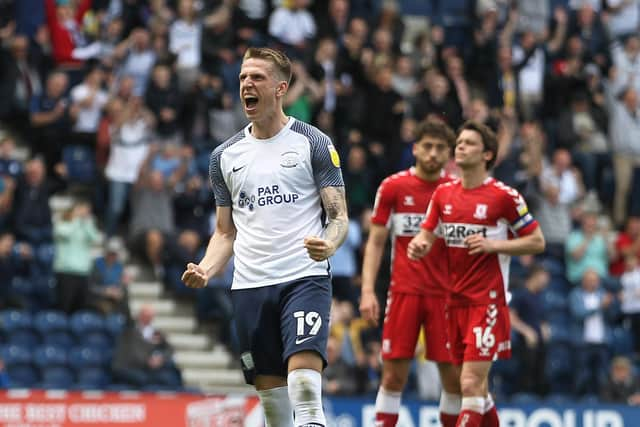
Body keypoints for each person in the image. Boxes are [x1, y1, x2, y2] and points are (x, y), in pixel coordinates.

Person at [182, 47, 348, 427]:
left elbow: (338, 216)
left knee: (305, 389)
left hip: (304, 278)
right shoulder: (224, 157)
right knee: (273, 407)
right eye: (242, 77)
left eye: (256, 77)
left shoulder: (314, 143)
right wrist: (207, 269)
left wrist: (330, 243)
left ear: (280, 88)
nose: (246, 85)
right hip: (251, 286)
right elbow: (225, 231)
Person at [408, 121, 545, 427]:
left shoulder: (503, 196)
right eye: (459, 142)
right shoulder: (443, 194)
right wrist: (419, 245)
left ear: (487, 154)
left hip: (487, 303)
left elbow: (537, 241)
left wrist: (493, 245)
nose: (460, 146)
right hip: (453, 302)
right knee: (475, 391)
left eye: (469, 143)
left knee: (469, 383)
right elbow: (427, 234)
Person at [359, 119, 460, 427]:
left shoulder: (456, 191)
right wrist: (366, 291)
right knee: (393, 375)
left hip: (446, 296)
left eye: (440, 148)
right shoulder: (393, 187)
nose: (432, 153)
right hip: (404, 292)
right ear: (415, 148)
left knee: (453, 378)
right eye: (427, 146)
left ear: (449, 154)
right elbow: (376, 242)